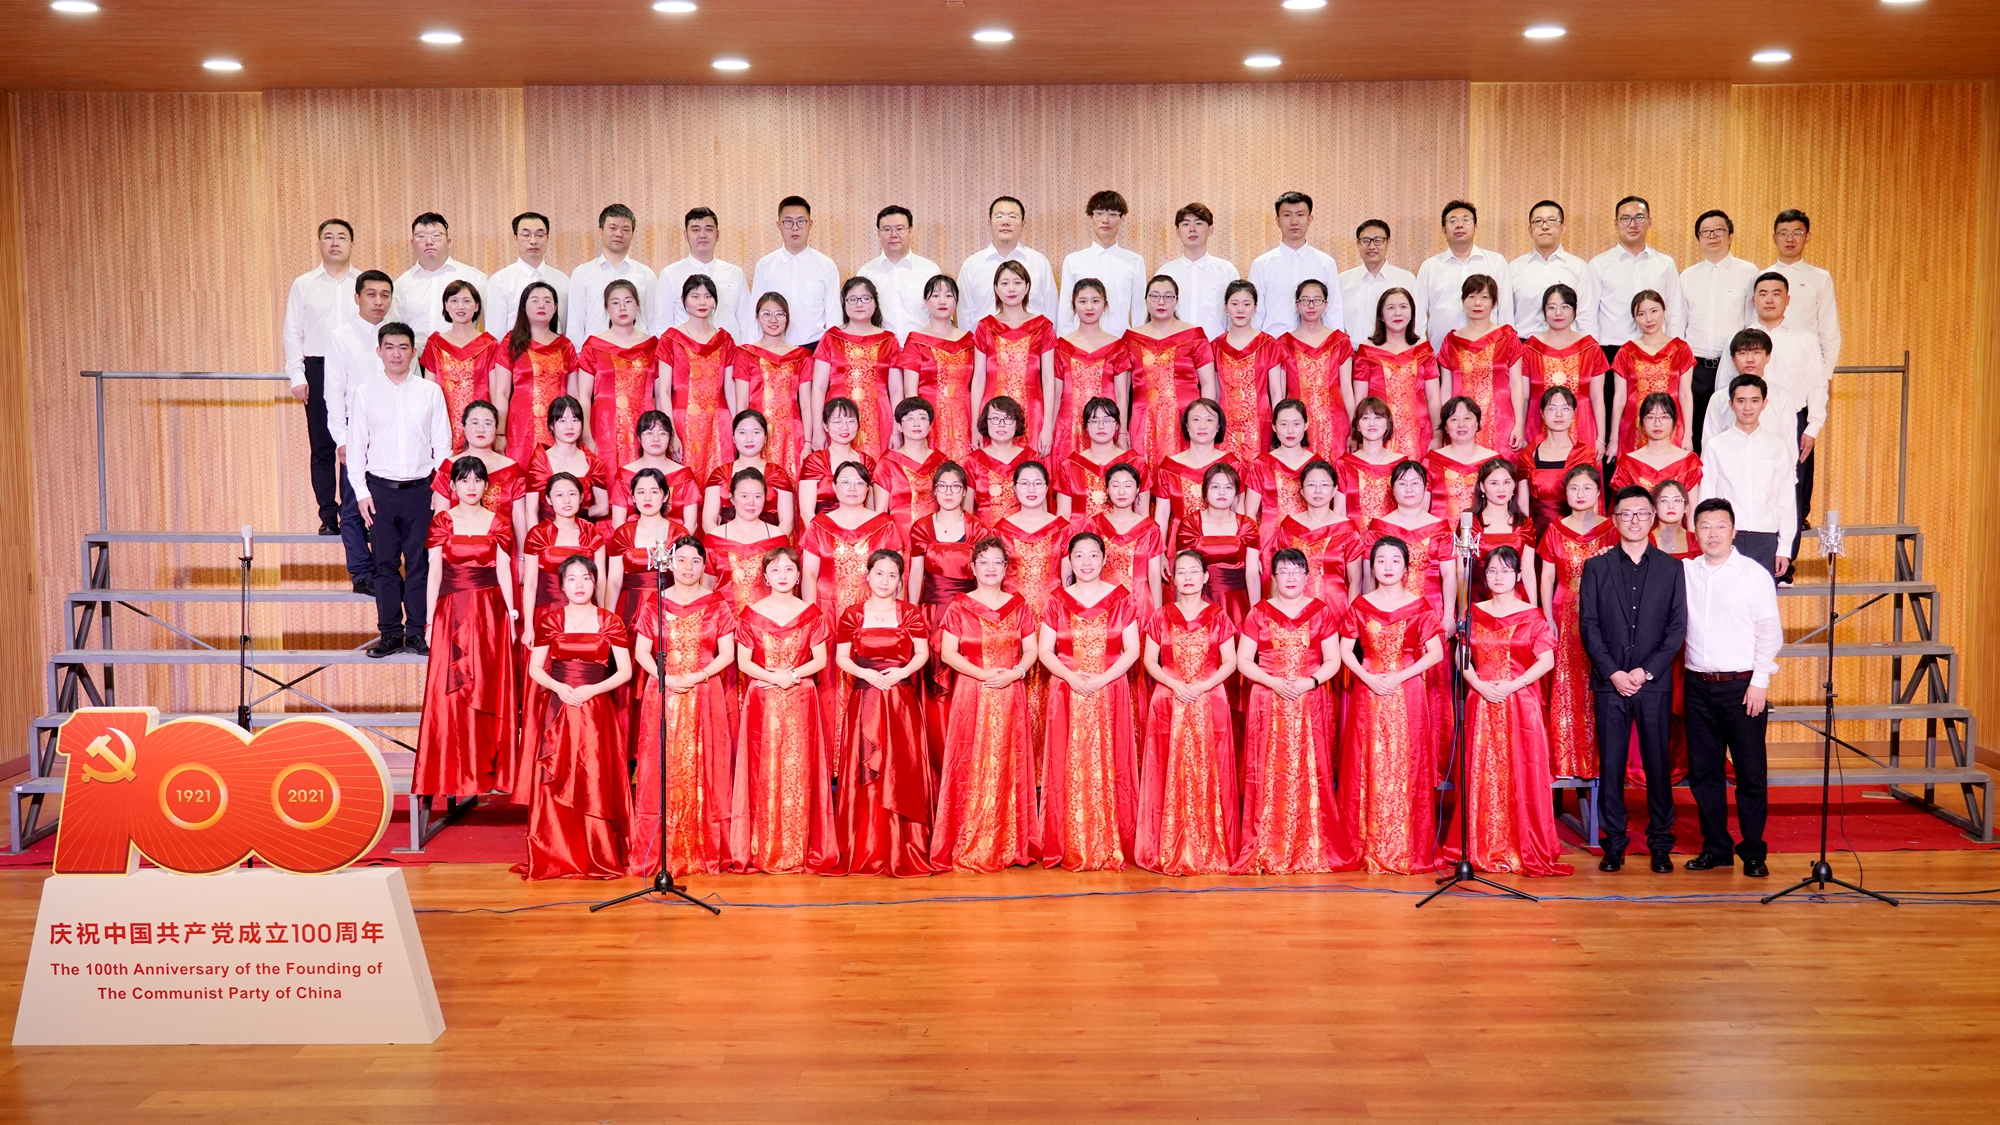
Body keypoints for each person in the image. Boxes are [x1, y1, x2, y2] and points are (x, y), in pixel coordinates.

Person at [1442, 546, 1571, 877]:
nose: (1498, 577)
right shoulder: (1473, 613)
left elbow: (1547, 660)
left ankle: (1522, 845)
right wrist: (1478, 684)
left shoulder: (1532, 615)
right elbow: (1461, 656)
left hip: (1520, 703)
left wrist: (1514, 684)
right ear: (1484, 577)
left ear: (1518, 576)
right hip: (1481, 701)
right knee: (1481, 772)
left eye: (1505, 571)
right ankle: (1479, 846)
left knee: (1521, 771)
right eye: (1492, 571)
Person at [1579, 485, 1688, 873]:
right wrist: (1613, 672)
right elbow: (1588, 626)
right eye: (1626, 514)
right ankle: (1614, 844)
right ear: (1615, 519)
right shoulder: (1596, 567)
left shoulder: (1671, 568)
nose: (1634, 520)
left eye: (1642, 513)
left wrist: (1645, 671)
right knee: (1611, 766)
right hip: (1610, 683)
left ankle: (1660, 843)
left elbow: (1677, 628)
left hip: (1652, 683)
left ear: (1652, 517)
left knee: (1658, 764)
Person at [1234, 547, 1357, 874]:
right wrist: (1273, 682)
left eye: (1296, 571)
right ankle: (1268, 845)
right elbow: (1243, 660)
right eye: (1283, 571)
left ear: (1307, 576)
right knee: (1267, 771)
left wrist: (1310, 681)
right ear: (1273, 577)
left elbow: (1333, 660)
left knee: (1311, 770)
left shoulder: (1320, 612)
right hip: (1267, 700)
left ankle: (1310, 843)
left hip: (1309, 700)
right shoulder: (1259, 612)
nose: (1290, 577)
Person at [627, 536, 739, 879]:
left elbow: (727, 653)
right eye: (681, 560)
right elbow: (641, 652)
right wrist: (666, 678)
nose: (688, 567)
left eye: (695, 561)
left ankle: (705, 849)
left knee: (706, 766)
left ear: (704, 565)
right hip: (664, 691)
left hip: (705, 691)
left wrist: (699, 675)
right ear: (669, 564)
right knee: (663, 766)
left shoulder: (717, 603)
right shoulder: (655, 602)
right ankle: (661, 851)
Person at [515, 556, 633, 880]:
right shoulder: (550, 620)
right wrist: (560, 688)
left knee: (594, 776)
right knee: (559, 773)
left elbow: (625, 671)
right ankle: (556, 852)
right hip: (560, 706)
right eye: (572, 579)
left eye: (585, 578)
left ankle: (598, 852)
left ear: (595, 583)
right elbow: (535, 668)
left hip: (597, 710)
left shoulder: (610, 621)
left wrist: (594, 689)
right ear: (562, 585)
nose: (579, 585)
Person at [1681, 497, 1781, 877]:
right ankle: (1716, 848)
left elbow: (1769, 632)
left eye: (1720, 525)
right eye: (1705, 526)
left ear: (1733, 531)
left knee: (1750, 774)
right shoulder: (1686, 572)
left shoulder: (1753, 575)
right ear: (1695, 532)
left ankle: (1753, 851)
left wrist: (1760, 682)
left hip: (1742, 687)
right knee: (1704, 773)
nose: (1713, 533)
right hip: (1697, 685)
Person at [932, 537, 1041, 872]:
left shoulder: (1018, 605)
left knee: (1008, 761)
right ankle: (969, 838)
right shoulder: (959, 606)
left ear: (1006, 568)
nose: (991, 568)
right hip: (972, 690)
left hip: (1010, 691)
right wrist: (981, 674)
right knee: (970, 760)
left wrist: (1016, 673)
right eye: (984, 562)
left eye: (997, 562)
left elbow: (1031, 650)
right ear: (973, 568)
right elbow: (948, 653)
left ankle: (1009, 842)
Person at [1338, 536, 1445, 874]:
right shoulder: (1360, 605)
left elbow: (1436, 653)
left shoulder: (1420, 606)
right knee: (1367, 761)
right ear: (1372, 567)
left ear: (1406, 568)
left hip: (1407, 690)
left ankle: (1406, 845)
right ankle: (1365, 843)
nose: (1387, 566)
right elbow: (1345, 650)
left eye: (1395, 560)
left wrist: (1399, 676)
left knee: (1406, 762)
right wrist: (1367, 678)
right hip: (1368, 690)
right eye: (1381, 560)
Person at [1038, 532, 1143, 871]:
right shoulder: (1056, 600)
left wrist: (1101, 679)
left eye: (1093, 555)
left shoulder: (1121, 598)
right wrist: (1072, 678)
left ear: (1104, 559)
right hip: (1066, 690)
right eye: (1079, 556)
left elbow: (1132, 650)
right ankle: (1068, 841)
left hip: (1109, 689)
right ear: (1069, 561)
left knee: (1111, 761)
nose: (1086, 562)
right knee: (1067, 761)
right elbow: (1045, 651)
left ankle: (1110, 840)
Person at [417, 456, 519, 801]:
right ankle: (452, 771)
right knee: (451, 691)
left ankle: (487, 769)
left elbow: (504, 571)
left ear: (486, 486)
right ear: (453, 486)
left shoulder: (499, 522)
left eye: (477, 480)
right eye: (464, 480)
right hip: (451, 612)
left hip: (490, 614)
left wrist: (512, 616)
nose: (471, 487)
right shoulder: (442, 521)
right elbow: (434, 573)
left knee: (486, 688)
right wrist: (429, 620)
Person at [1705, 274, 1825, 566]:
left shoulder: (1781, 397)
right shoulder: (1720, 399)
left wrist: (1810, 430)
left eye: (1756, 353)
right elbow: (1710, 444)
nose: (1750, 359)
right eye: (1743, 353)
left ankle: (1784, 562)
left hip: (1769, 480)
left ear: (1767, 357)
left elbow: (1788, 443)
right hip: (1730, 483)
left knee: (1785, 504)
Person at [732, 547, 838, 873]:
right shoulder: (750, 615)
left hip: (800, 696)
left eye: (789, 569)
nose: (782, 575)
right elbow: (743, 662)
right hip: (762, 698)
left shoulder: (811, 614)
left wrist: (789, 675)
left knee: (799, 770)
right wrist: (774, 677)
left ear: (798, 575)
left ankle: (799, 845)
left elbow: (820, 660)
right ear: (765, 576)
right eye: (775, 570)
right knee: (761, 769)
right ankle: (762, 845)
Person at [830, 550, 934, 877]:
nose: (885, 580)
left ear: (900, 579)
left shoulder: (910, 613)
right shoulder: (852, 614)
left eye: (892, 575)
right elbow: (841, 657)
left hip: (900, 700)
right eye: (879, 573)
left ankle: (903, 846)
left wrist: (902, 673)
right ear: (868, 576)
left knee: (901, 768)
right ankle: (866, 845)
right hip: (866, 698)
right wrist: (865, 673)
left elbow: (922, 653)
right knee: (866, 769)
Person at [350, 323, 451, 658]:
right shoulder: (365, 393)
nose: (396, 353)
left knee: (420, 563)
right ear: (379, 351)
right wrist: (361, 492)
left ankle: (417, 632)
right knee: (384, 565)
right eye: (390, 347)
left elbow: (443, 445)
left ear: (413, 352)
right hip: (380, 491)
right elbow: (356, 448)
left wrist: (440, 488)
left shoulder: (430, 392)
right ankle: (390, 633)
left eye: (403, 347)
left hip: (422, 491)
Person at [1136, 551, 1240, 874]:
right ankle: (1167, 844)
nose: (1188, 577)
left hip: (1210, 698)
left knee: (1211, 769)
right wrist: (1175, 684)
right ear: (1173, 578)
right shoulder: (1160, 616)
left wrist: (1203, 685)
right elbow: (1150, 660)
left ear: (1206, 577)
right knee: (1167, 767)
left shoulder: (1218, 616)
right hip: (1169, 699)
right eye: (1181, 572)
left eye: (1194, 571)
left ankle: (1210, 845)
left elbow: (1230, 661)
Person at [800, 460, 905, 759]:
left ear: (868, 489)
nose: (852, 488)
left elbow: (896, 574)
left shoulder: (884, 525)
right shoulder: (819, 525)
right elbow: (810, 574)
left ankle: (867, 756)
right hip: (828, 611)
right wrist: (811, 619)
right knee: (829, 679)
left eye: (859, 482)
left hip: (872, 613)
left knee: (871, 678)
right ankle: (833, 759)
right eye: (845, 482)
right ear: (833, 487)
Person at [908, 460, 986, 767]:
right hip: (931, 615)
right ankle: (937, 762)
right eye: (943, 486)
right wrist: (911, 617)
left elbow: (985, 576)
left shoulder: (977, 528)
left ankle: (968, 761)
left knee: (966, 684)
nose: (949, 492)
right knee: (933, 692)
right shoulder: (921, 527)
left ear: (965, 491)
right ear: (934, 491)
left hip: (968, 616)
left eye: (956, 486)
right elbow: (916, 575)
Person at [285, 218, 360, 536]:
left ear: (351, 244)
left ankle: (355, 514)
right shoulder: (304, 284)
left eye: (341, 237)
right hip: (317, 367)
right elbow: (292, 332)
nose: (335, 242)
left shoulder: (363, 282)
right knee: (322, 445)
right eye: (328, 237)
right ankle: (328, 516)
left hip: (357, 368)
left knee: (357, 443)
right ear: (319, 244)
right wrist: (296, 375)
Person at [1539, 463, 1614, 778]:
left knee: (1600, 680)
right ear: (1565, 493)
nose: (1580, 494)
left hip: (1605, 614)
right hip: (1565, 610)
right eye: (1574, 488)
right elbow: (1547, 578)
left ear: (1598, 492)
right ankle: (1567, 760)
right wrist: (1547, 617)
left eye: (1587, 488)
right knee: (1567, 683)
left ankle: (1600, 761)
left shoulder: (1611, 528)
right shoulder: (1555, 529)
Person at [325, 269, 394, 594]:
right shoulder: (341, 337)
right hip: (356, 432)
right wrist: (341, 438)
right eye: (371, 294)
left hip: (393, 433)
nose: (378, 301)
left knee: (384, 505)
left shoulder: (398, 335)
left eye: (385, 295)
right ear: (357, 298)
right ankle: (362, 574)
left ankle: (384, 571)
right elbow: (334, 392)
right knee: (352, 505)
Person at [994, 461, 1067, 754]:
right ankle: (1018, 757)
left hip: (1052, 612)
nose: (1031, 489)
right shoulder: (1001, 529)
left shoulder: (1061, 528)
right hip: (1014, 614)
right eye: (1024, 483)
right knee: (1016, 678)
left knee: (1052, 681)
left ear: (1047, 487)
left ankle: (1049, 758)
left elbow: (1069, 578)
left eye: (1038, 483)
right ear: (1014, 488)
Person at [1700, 362, 1797, 576]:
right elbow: (1706, 496)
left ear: (1764, 404)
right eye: (1741, 401)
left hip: (1765, 536)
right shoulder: (1715, 446)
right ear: (1731, 404)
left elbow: (1785, 498)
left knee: (1762, 596)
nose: (1747, 407)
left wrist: (1784, 547)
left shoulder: (1777, 446)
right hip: (1725, 536)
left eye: (1754, 401)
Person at [1679, 209, 1757, 454]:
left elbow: (1752, 322)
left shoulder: (1748, 272)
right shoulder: (1687, 276)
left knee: (1729, 431)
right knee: (1694, 432)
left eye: (1718, 230)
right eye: (1705, 232)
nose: (1712, 236)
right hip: (1695, 367)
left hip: (1732, 366)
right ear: (1699, 239)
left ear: (1730, 235)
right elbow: (1679, 323)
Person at [1123, 275, 1218, 466]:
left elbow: (1208, 383)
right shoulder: (1131, 339)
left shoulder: (1194, 335)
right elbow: (1123, 390)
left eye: (1168, 296)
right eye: (1155, 296)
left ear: (1176, 300)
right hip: (1143, 419)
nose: (1161, 302)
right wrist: (1122, 429)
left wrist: (1205, 421)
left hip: (1185, 420)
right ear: (1146, 300)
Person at [971, 262, 1059, 457]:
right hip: (994, 416)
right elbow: (978, 379)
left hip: (1033, 414)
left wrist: (1047, 426)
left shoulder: (1042, 327)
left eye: (1017, 282)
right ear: (996, 288)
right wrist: (975, 425)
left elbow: (1048, 379)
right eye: (1005, 283)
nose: (1011, 288)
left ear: (1027, 287)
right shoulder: (985, 327)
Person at [657, 274, 737, 481]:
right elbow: (663, 391)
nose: (702, 302)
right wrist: (670, 432)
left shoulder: (725, 339)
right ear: (684, 300)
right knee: (684, 483)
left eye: (708, 296)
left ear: (715, 301)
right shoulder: (670, 339)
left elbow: (730, 388)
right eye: (695, 296)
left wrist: (738, 428)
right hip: (682, 423)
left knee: (720, 482)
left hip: (719, 423)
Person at [893, 276, 977, 465]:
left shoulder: (969, 341)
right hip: (930, 419)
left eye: (948, 295)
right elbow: (910, 391)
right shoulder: (916, 340)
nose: (942, 301)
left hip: (964, 417)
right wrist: (917, 423)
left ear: (956, 301)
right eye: (936, 295)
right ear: (926, 301)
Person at [813, 277, 900, 458]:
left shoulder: (888, 340)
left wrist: (896, 432)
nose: (859, 304)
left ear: (875, 303)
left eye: (865, 298)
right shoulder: (831, 338)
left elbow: (896, 390)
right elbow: (819, 388)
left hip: (879, 419)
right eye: (852, 299)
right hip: (838, 419)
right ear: (844, 304)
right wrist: (818, 429)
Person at [577, 279, 660, 470]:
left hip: (644, 424)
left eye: (628, 301)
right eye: (615, 303)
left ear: (638, 305)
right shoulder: (593, 346)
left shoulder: (652, 346)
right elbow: (583, 396)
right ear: (606, 308)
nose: (622, 308)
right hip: (604, 425)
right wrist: (587, 434)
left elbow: (660, 395)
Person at [1437, 275, 1526, 452]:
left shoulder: (1508, 337)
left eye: (1484, 297)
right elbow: (1446, 389)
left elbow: (1516, 385)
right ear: (1463, 301)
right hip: (1461, 423)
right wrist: (1444, 426)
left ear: (1494, 303)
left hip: (1501, 421)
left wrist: (1519, 424)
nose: (1477, 303)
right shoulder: (1451, 341)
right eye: (1471, 296)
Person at [1051, 279, 1134, 466]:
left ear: (1105, 305)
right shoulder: (1061, 347)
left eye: (1095, 301)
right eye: (1082, 301)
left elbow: (1122, 395)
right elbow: (1056, 395)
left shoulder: (1118, 347)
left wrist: (1122, 431)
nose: (1089, 307)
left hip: (1106, 426)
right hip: (1068, 428)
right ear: (1074, 306)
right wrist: (1050, 431)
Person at [1349, 288, 1438, 460]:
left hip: (1418, 434)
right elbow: (1360, 400)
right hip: (1377, 435)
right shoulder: (1366, 352)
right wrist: (1356, 436)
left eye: (1403, 307)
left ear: (1412, 314)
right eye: (1391, 308)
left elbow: (1434, 398)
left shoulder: (1424, 351)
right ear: (1381, 316)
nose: (1398, 313)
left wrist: (1438, 434)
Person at [429, 401, 527, 558]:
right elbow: (441, 518)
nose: (481, 429)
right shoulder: (448, 468)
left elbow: (519, 517)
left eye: (487, 424)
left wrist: (522, 557)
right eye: (475, 423)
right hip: (458, 554)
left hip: (503, 552)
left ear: (496, 428)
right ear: (464, 427)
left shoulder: (512, 470)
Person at [519, 473, 606, 649]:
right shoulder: (538, 534)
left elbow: (601, 581)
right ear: (548, 500)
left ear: (581, 498)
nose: (566, 500)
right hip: (548, 611)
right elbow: (530, 582)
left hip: (586, 612)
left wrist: (604, 617)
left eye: (572, 494)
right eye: (559, 495)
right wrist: (528, 626)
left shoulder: (592, 533)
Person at [493, 281, 579, 459]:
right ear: (523, 306)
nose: (541, 305)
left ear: (555, 308)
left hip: (559, 426)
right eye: (534, 300)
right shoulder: (511, 343)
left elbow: (574, 395)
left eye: (547, 301)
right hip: (520, 428)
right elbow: (501, 393)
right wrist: (499, 433)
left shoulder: (565, 346)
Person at [1521, 283, 1608, 453]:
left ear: (1575, 311)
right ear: (1544, 312)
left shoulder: (1590, 348)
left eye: (1565, 307)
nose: (1558, 313)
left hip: (1583, 431)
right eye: (1551, 307)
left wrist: (1601, 439)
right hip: (1537, 431)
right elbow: (1523, 397)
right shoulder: (1530, 348)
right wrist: (1521, 431)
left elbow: (1597, 397)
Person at [1269, 458, 1362, 618]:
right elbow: (1277, 575)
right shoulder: (1289, 527)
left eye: (1324, 485)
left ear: (1335, 490)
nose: (1318, 490)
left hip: (1335, 610)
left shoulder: (1347, 530)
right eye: (1311, 485)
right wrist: (1275, 614)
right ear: (1302, 490)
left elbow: (1355, 580)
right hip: (1293, 610)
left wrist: (1351, 619)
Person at [421, 279, 506, 454]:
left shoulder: (489, 344)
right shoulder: (435, 344)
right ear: (446, 306)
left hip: (480, 426)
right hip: (443, 424)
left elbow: (496, 392)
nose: (460, 306)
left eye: (466, 301)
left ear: (476, 306)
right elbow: (428, 393)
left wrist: (499, 432)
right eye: (454, 300)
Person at [733, 292, 812, 476]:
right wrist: (742, 438)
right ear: (757, 318)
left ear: (787, 318)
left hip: (792, 434)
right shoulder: (746, 353)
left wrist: (808, 442)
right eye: (766, 314)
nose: (773, 320)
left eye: (780, 314)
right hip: (756, 434)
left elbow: (806, 404)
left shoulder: (801, 356)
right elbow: (742, 404)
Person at [1277, 279, 1356, 464]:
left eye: (1317, 300)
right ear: (1297, 305)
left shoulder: (1340, 341)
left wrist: (1354, 429)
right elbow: (1280, 393)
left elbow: (1347, 389)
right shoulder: (1284, 343)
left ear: (1326, 304)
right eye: (1305, 300)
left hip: (1335, 423)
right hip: (1297, 425)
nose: (1311, 305)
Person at [1608, 291, 1695, 457]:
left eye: (1654, 311)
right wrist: (1613, 439)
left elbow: (1685, 394)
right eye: (1641, 314)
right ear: (1634, 319)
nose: (1648, 319)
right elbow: (1619, 398)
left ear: (1664, 311)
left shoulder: (1680, 349)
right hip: (1634, 427)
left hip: (1672, 427)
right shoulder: (1626, 352)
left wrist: (1688, 434)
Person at [1414, 200, 1510, 350]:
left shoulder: (1496, 262)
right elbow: (1418, 314)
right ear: (1443, 229)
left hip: (1488, 352)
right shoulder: (1430, 267)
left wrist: (1506, 348)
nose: (1459, 225)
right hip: (1441, 352)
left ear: (1475, 227)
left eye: (1466, 220)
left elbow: (1505, 309)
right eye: (1453, 221)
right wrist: (1419, 352)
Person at [1247, 191, 1344, 336]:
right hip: (1273, 342)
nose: (1294, 221)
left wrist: (1336, 343)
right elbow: (1255, 313)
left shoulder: (1325, 263)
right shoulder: (1261, 264)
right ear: (1278, 220)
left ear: (1310, 219)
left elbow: (1333, 310)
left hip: (1314, 344)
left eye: (1300, 215)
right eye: (1287, 215)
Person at [1176, 462, 1261, 629]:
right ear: (1205, 490)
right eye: (1215, 487)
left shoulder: (1247, 525)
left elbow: (1252, 575)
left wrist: (1256, 615)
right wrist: (1180, 613)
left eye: (1228, 487)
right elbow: (1181, 573)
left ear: (1236, 493)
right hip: (1199, 601)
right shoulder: (1190, 524)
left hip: (1237, 605)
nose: (1222, 492)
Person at [750, 195, 842, 349]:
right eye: (788, 222)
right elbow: (755, 312)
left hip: (815, 347)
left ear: (810, 224)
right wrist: (753, 349)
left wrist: (834, 351)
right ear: (779, 225)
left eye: (801, 221)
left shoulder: (826, 265)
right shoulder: (765, 265)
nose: (794, 228)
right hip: (774, 347)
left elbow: (834, 316)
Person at [1211, 280, 1285, 467]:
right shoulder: (1216, 346)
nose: (1240, 310)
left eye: (1246, 304)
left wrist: (1280, 425)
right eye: (1234, 304)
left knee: (1259, 473)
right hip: (1226, 424)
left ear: (1255, 308)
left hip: (1260, 423)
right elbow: (1216, 392)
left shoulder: (1268, 344)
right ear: (1226, 307)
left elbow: (1276, 391)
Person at [604, 467, 686, 630]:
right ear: (633, 497)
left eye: (654, 492)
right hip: (630, 608)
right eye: (641, 492)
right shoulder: (623, 533)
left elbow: (686, 578)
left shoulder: (679, 533)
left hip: (668, 606)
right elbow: (614, 581)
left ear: (665, 496)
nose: (647, 498)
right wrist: (608, 622)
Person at [1766, 209, 1841, 386]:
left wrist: (1826, 375)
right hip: (1768, 366)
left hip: (1806, 367)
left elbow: (1829, 330)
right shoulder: (1760, 277)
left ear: (1807, 237)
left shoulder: (1820, 278)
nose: (1790, 239)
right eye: (1783, 233)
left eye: (1797, 233)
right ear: (1774, 238)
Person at [392, 212, 490, 346]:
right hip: (416, 356)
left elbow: (491, 323)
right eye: (421, 236)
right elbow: (393, 328)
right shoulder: (401, 284)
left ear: (448, 242)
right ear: (413, 243)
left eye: (436, 235)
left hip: (463, 355)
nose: (429, 242)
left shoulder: (475, 278)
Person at [1058, 190, 1147, 336]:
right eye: (1099, 213)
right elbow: (1065, 311)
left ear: (1122, 218)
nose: (1105, 220)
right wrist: (1064, 343)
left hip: (1120, 342)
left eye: (1112, 214)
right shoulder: (1073, 261)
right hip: (1081, 343)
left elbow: (1139, 311)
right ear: (1091, 217)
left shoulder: (1135, 261)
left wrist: (1139, 344)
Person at [566, 203, 655, 350]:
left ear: (632, 234)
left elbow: (653, 322)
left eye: (625, 229)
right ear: (600, 232)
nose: (619, 234)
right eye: (613, 228)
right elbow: (575, 325)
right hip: (595, 357)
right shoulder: (582, 274)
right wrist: (579, 357)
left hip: (638, 356)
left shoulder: (646, 275)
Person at [705, 468, 791, 618]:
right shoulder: (714, 538)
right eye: (744, 496)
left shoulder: (777, 537)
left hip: (766, 621)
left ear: (765, 499)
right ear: (732, 499)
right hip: (724, 622)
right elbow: (706, 586)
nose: (751, 502)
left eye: (758, 496)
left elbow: (787, 586)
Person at [957, 195, 1056, 323]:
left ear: (1023, 224)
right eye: (999, 216)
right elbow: (964, 315)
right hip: (984, 336)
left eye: (1013, 216)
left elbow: (1051, 311)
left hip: (1033, 335)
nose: (1006, 222)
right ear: (989, 223)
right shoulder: (971, 265)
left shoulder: (1039, 262)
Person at [1507, 200, 1598, 338]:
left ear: (1563, 228)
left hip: (1567, 346)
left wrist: (1590, 349)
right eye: (1538, 221)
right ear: (1530, 230)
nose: (1545, 227)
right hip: (1524, 345)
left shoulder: (1578, 267)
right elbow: (1506, 316)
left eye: (1552, 221)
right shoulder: (1514, 268)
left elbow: (1587, 317)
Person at [656, 207, 751, 339]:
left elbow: (747, 323)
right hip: (685, 350)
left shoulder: (735, 273)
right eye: (696, 230)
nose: (702, 235)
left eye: (709, 229)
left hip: (729, 350)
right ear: (686, 235)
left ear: (718, 234)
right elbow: (662, 325)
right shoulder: (670, 274)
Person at [487, 212, 570, 362]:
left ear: (547, 238)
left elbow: (565, 326)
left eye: (539, 235)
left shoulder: (562, 280)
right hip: (515, 361)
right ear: (515, 238)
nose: (533, 241)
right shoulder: (501, 280)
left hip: (555, 362)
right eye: (526, 235)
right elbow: (495, 333)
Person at [1517, 386, 1595, 542]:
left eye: (1565, 408)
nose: (1559, 414)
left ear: (1574, 413)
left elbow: (1591, 503)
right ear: (1542, 413)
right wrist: (1526, 541)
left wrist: (1589, 538)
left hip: (1575, 535)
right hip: (1538, 535)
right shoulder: (1529, 455)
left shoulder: (1584, 454)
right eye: (1552, 408)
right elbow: (1522, 505)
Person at [856, 205, 941, 343]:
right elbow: (857, 319)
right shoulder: (866, 273)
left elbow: (943, 315)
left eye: (900, 229)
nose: (893, 235)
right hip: (880, 349)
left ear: (910, 231)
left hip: (922, 348)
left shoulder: (930, 270)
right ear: (878, 233)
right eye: (887, 229)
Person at [1154, 202, 1240, 339]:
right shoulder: (1165, 273)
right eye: (1186, 224)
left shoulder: (1227, 271)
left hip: (1215, 347)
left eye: (1198, 223)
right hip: (1175, 348)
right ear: (1177, 231)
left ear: (1211, 229)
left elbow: (1235, 316)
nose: (1192, 229)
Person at [1057, 397, 1145, 524]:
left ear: (1117, 425)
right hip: (1080, 535)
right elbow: (1063, 517)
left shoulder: (1135, 462)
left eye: (1107, 420)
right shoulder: (1070, 465)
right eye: (1094, 420)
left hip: (1122, 535)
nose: (1101, 426)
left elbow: (1142, 514)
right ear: (1086, 426)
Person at [524, 397, 609, 527]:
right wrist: (536, 538)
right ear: (551, 425)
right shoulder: (540, 461)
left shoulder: (592, 461)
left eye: (575, 420)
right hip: (547, 534)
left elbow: (603, 508)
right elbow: (531, 511)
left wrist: (575, 515)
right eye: (562, 420)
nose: (570, 427)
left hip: (581, 533)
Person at [1243, 398, 1318, 548]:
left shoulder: (1317, 465)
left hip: (1308, 541)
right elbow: (1250, 514)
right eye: (1284, 424)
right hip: (1269, 543)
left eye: (1296, 424)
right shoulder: (1261, 464)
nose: (1290, 431)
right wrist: (1253, 552)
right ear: (1274, 426)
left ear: (1306, 425)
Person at [1151, 398, 1234, 530]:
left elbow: (1238, 510)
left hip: (1222, 538)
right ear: (1187, 426)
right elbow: (1162, 515)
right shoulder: (1168, 468)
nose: (1202, 426)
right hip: (1179, 540)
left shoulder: (1232, 465)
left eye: (1209, 420)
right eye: (1196, 420)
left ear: (1218, 426)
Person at [611, 410, 700, 531]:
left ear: (670, 437)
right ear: (638, 437)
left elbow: (691, 524)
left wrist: (673, 542)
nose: (656, 438)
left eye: (662, 433)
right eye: (649, 433)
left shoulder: (684, 476)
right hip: (634, 540)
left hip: (675, 540)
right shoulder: (624, 475)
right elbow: (618, 523)